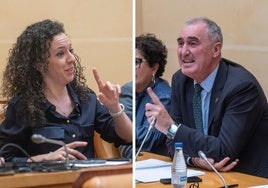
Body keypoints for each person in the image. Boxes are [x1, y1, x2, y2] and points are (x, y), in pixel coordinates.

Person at [145, 17, 268, 178]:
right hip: (206, 175)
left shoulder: (241, 87)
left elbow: (224, 151)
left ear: (216, 50)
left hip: (247, 177)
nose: (184, 51)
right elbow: (172, 144)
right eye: (181, 43)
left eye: (193, 43)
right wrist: (195, 160)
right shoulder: (181, 81)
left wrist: (171, 128)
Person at [0, 19, 132, 163]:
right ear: (39, 64)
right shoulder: (23, 105)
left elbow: (128, 137)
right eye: (60, 54)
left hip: (88, 182)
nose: (72, 59)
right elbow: (5, 159)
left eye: (71, 51)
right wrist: (44, 158)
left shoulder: (87, 98)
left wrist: (114, 108)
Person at [135, 33, 171, 156]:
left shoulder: (163, 96)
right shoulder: (133, 92)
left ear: (154, 68)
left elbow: (148, 140)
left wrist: (122, 130)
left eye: (136, 62)